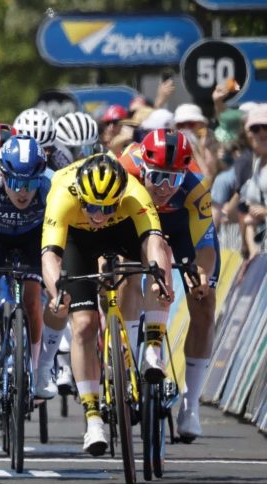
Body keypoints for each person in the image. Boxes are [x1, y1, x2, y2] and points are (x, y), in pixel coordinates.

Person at [41, 154, 174, 455]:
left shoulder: (133, 193)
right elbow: (50, 255)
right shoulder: (62, 194)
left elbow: (153, 240)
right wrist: (57, 293)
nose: (99, 215)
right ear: (80, 196)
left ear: (120, 197)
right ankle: (92, 418)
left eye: (106, 207)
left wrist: (160, 279)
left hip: (122, 229)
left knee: (158, 261)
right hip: (78, 239)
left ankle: (152, 344)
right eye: (92, 207)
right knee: (84, 325)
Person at [119, 129, 218, 441]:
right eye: (158, 177)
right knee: (126, 275)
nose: (164, 187)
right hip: (135, 216)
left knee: (204, 301)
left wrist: (201, 275)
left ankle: (190, 406)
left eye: (172, 179)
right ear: (144, 167)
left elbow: (205, 246)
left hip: (180, 226)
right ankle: (127, 361)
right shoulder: (126, 171)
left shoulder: (194, 188)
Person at [0, 134, 66, 417]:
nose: (23, 192)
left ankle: (38, 371)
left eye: (30, 183)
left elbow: (59, 237)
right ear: (2, 174)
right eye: (14, 182)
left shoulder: (51, 185)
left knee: (35, 297)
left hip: (34, 236)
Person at [240, 105, 267, 256]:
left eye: (266, 127)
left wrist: (265, 212)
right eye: (256, 128)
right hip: (261, 252)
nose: (262, 132)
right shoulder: (257, 162)